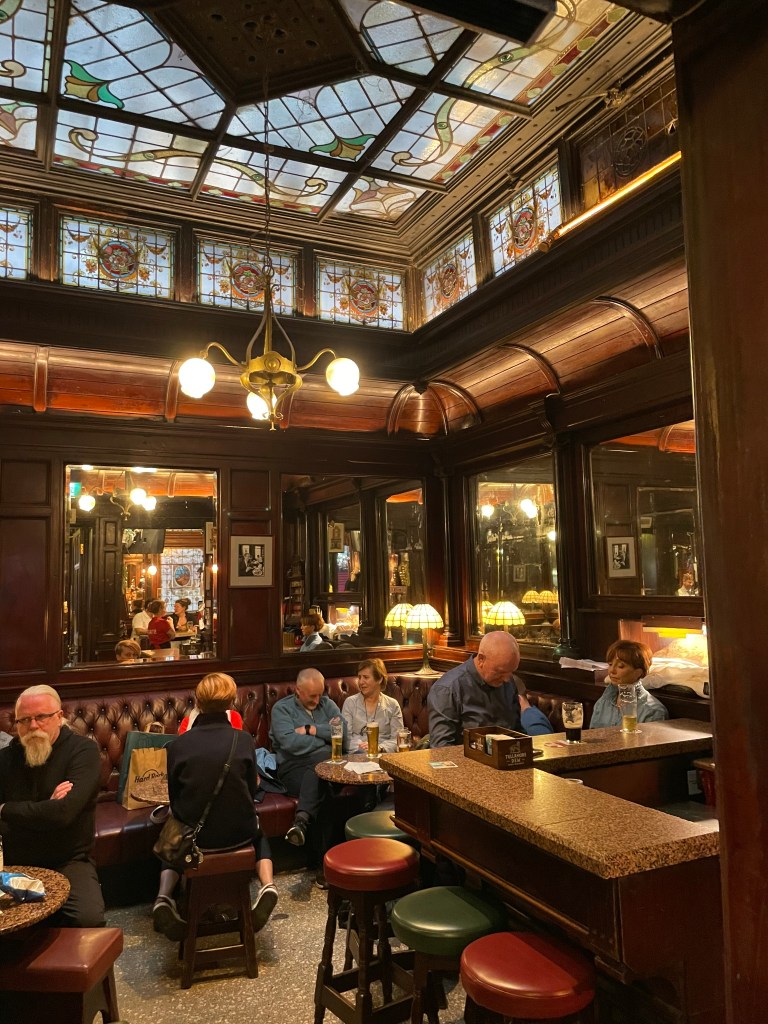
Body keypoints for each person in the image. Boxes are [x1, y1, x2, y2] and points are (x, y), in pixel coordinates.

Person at [152, 672, 278, 941]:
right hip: (239, 833)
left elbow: (175, 799)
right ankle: (267, 885)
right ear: (232, 703)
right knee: (258, 830)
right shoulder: (242, 740)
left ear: (197, 702)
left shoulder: (179, 745)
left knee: (172, 829)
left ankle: (163, 897)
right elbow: (251, 788)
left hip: (195, 841)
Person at [0, 684, 105, 927]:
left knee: (88, 920)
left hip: (68, 859)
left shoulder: (83, 751)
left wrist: (6, 809)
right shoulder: (6, 758)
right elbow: (54, 813)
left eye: (41, 717)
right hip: (15, 860)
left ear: (59, 717)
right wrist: (46, 807)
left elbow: (63, 813)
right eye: (24, 720)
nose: (33, 726)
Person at [269, 668, 346, 887]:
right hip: (292, 769)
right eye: (311, 695)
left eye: (320, 694)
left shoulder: (328, 704)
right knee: (323, 784)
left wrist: (310, 729)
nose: (317, 699)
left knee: (321, 775)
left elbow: (343, 736)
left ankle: (301, 822)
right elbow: (290, 744)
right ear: (298, 690)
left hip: (329, 768)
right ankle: (327, 867)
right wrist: (325, 741)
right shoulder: (281, 709)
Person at [428, 631, 554, 748]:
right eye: (500, 672)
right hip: (469, 765)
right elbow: (441, 749)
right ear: (481, 659)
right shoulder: (447, 690)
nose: (506, 679)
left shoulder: (509, 681)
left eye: (510, 672)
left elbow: (516, 732)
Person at [589, 640, 669, 728]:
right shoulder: (603, 701)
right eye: (610, 664)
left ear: (638, 672)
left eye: (620, 666)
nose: (612, 670)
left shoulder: (652, 711)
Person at [342, 658, 404, 754]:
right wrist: (362, 747)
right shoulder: (350, 703)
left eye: (366, 677)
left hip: (383, 755)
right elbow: (346, 739)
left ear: (379, 679)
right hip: (357, 755)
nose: (361, 682)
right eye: (359, 677)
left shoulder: (392, 705)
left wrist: (378, 747)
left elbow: (398, 740)